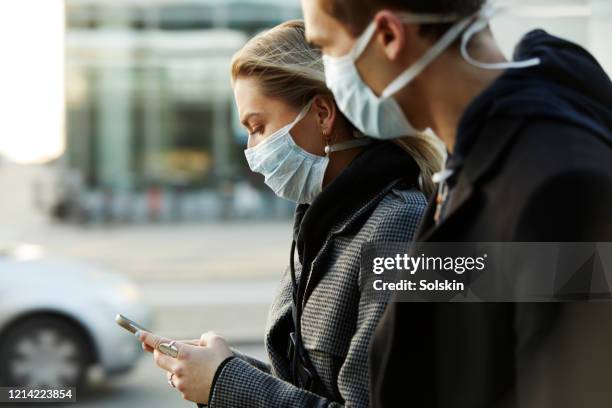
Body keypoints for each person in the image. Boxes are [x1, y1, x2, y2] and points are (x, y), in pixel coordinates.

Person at [301, 0, 612, 407]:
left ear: (389, 36)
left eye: (325, 46)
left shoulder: (556, 187)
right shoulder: (470, 164)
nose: (329, 71)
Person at [136, 20, 444, 407]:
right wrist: (220, 370)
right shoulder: (321, 222)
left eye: (258, 126)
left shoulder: (400, 224)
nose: (252, 152)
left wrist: (224, 383)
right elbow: (311, 386)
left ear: (321, 114)